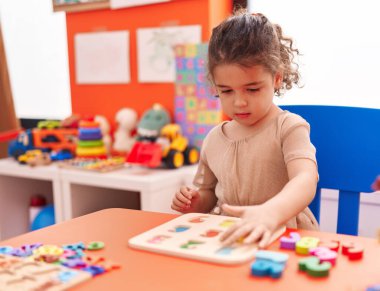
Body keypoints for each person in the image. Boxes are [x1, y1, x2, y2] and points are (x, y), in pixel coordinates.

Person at [171, 10, 319, 248]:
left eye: (252, 89)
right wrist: (194, 202)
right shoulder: (214, 139)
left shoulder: (289, 127)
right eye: (226, 91)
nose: (239, 102)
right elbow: (208, 194)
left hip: (285, 237)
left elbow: (306, 178)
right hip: (231, 238)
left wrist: (271, 212)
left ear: (277, 78)